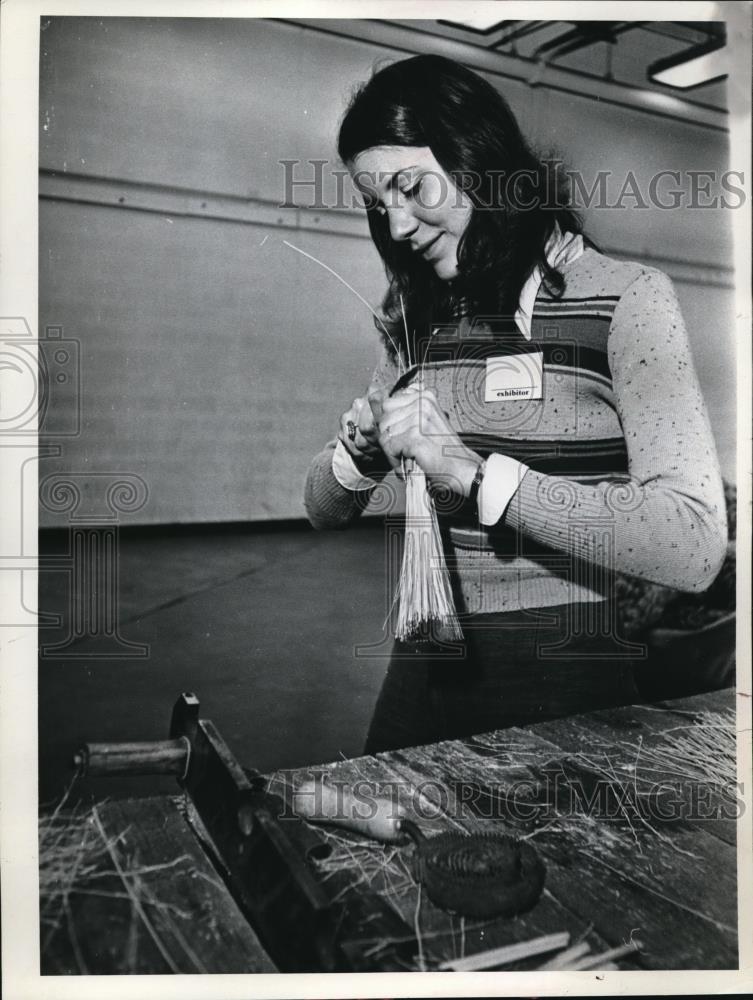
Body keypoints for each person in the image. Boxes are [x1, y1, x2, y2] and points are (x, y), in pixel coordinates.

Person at [303, 54, 728, 753]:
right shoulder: (419, 318)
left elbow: (691, 545)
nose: (400, 226)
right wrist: (356, 451)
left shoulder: (626, 298)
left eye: (412, 187)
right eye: (379, 204)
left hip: (562, 678)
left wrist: (475, 477)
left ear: (477, 157)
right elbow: (320, 508)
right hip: (421, 670)